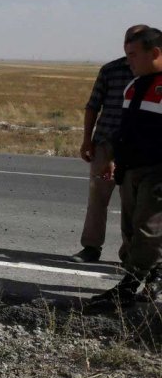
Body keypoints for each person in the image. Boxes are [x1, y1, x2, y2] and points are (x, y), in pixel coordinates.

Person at [88, 27, 162, 307]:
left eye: (133, 55)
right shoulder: (134, 85)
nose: (127, 60)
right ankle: (153, 276)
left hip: (157, 172)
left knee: (148, 230)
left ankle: (128, 288)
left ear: (154, 52)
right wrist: (113, 158)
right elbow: (126, 129)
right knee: (131, 229)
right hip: (131, 169)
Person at [71, 24, 148, 263]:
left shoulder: (152, 74)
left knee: (133, 204)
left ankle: (130, 254)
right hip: (105, 144)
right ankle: (91, 247)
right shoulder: (111, 70)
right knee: (97, 198)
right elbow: (93, 105)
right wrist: (87, 140)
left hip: (138, 148)